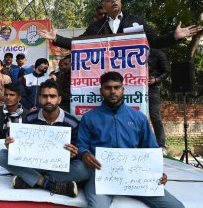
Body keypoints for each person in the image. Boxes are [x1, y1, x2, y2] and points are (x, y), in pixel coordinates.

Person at [77, 71, 184, 208]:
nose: (113, 91)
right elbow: (81, 145)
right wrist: (84, 154)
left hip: (136, 176)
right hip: (101, 175)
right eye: (108, 87)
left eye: (117, 87)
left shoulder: (138, 117)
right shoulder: (89, 117)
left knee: (175, 206)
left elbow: (150, 148)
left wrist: (157, 171)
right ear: (101, 90)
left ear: (123, 89)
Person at [0, 80, 90, 197]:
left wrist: (74, 153)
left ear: (59, 99)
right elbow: (23, 147)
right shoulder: (30, 118)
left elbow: (77, 149)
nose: (49, 100)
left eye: (52, 96)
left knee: (84, 169)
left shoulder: (72, 122)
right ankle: (46, 183)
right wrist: (12, 147)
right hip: (35, 165)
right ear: (39, 99)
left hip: (59, 168)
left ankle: (30, 180)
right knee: (2, 155)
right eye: (45, 96)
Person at [40, 0, 201, 50]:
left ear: (121, 2)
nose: (114, 1)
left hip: (133, 76)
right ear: (104, 6)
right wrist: (56, 38)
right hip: (105, 77)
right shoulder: (96, 27)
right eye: (110, 0)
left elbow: (154, 41)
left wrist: (174, 36)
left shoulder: (136, 21)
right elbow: (78, 45)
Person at [148, 49, 169, 155]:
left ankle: (161, 145)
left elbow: (166, 71)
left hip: (152, 88)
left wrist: (156, 79)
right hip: (134, 87)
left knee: (155, 116)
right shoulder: (130, 50)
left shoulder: (158, 53)